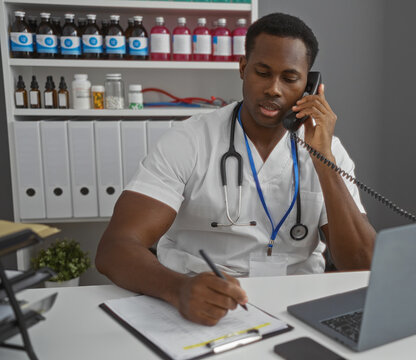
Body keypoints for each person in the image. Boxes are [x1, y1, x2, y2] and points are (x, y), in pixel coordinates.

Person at [95, 13, 376, 326]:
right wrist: (178, 289)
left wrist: (323, 159)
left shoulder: (328, 150)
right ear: (243, 68)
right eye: (262, 72)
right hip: (201, 305)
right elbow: (114, 248)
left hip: (298, 307)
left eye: (290, 78)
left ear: (311, 85)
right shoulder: (189, 140)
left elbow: (363, 264)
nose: (274, 89)